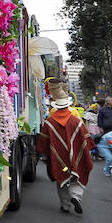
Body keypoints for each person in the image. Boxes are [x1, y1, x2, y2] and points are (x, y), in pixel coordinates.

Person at [38, 80, 94, 215]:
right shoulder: (76, 120)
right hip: (75, 155)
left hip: (59, 157)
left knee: (61, 176)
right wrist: (88, 150)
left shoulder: (49, 122)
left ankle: (65, 205)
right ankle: (76, 196)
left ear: (55, 106)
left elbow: (43, 141)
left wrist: (43, 154)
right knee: (78, 173)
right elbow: (86, 138)